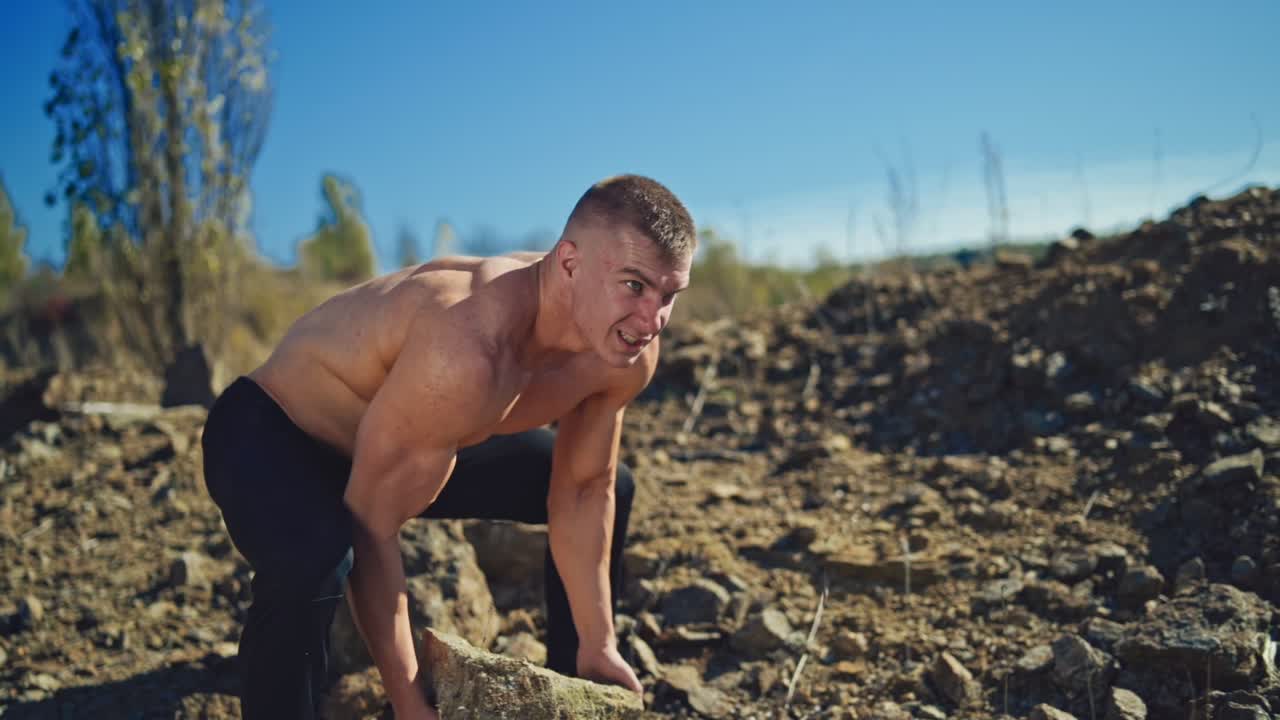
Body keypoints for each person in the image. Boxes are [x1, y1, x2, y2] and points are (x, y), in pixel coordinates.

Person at [200, 174, 696, 719]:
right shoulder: (467, 347)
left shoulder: (622, 349)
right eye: (634, 286)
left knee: (611, 486)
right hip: (275, 430)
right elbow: (372, 523)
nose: (652, 321)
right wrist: (411, 702)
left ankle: (573, 680)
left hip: (416, 430)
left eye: (667, 294)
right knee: (317, 557)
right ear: (571, 263)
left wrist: (597, 639)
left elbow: (582, 488)